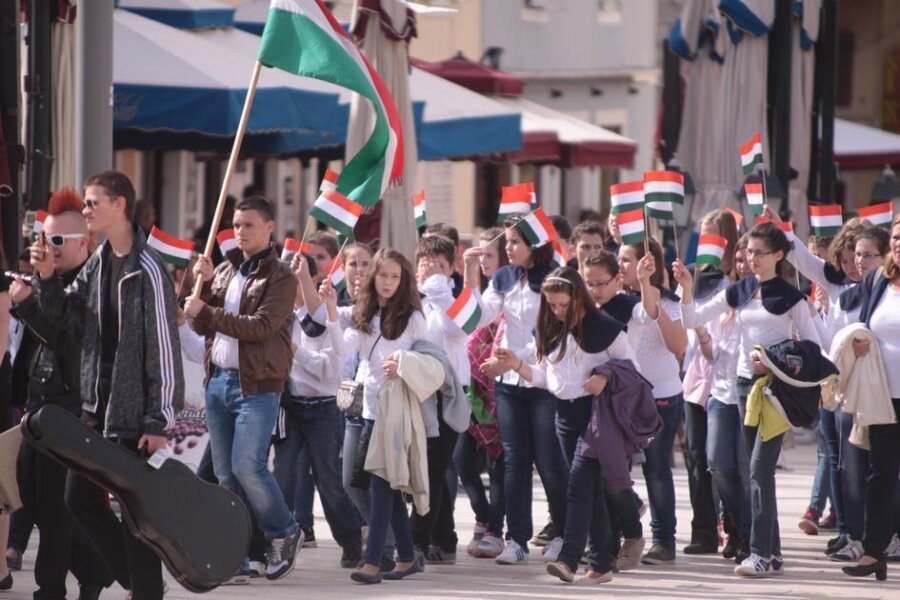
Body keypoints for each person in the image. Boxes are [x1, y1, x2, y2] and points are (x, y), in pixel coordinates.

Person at [13, 170, 184, 600]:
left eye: (93, 203)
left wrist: (158, 420)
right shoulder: (99, 262)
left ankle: (145, 590)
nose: (87, 210)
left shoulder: (147, 270)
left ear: (119, 204)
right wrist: (46, 279)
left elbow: (164, 349)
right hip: (95, 412)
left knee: (134, 515)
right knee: (79, 499)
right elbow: (66, 321)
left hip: (133, 417)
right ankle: (137, 582)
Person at [675, 221, 823, 578]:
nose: (752, 258)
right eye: (749, 252)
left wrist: (774, 360)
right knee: (756, 472)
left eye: (760, 253)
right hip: (744, 388)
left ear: (779, 255)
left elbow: (813, 346)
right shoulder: (739, 290)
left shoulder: (791, 297)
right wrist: (686, 289)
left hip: (776, 389)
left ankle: (760, 553)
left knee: (757, 469)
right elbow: (691, 318)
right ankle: (771, 554)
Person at [496, 266, 639, 584]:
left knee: (576, 486)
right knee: (592, 491)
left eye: (563, 304)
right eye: (552, 305)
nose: (558, 311)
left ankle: (568, 559)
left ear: (578, 298)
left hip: (597, 416)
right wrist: (516, 364)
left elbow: (631, 367)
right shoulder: (549, 330)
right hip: (563, 416)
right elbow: (546, 378)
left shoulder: (606, 327)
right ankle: (601, 561)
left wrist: (605, 375)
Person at [186, 196, 301, 581]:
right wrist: (200, 286)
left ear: (269, 228)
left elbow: (261, 327)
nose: (240, 232)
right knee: (226, 476)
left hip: (257, 385)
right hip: (218, 380)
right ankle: (237, 554)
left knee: (247, 467)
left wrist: (207, 311)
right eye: (236, 225)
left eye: (248, 225)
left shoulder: (281, 276)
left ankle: (285, 531)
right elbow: (200, 324)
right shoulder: (224, 270)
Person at [10, 199, 115, 600]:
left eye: (57, 240)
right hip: (39, 406)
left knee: (55, 508)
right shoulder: (49, 279)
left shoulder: (89, 285)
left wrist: (32, 299)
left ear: (83, 243)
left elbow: (64, 337)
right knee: (31, 498)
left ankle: (50, 588)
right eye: (42, 238)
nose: (47, 247)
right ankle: (95, 568)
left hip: (70, 408)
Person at [474, 217, 569, 565]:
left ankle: (563, 533)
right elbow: (482, 315)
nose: (508, 247)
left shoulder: (554, 277)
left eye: (515, 242)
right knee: (514, 461)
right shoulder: (504, 277)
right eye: (508, 241)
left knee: (549, 461)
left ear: (535, 243)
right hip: (509, 383)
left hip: (542, 380)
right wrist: (469, 277)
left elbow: (554, 332)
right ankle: (516, 540)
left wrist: (515, 360)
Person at [346, 249, 434, 584]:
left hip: (397, 411)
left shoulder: (414, 318)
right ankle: (407, 556)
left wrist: (403, 367)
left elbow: (430, 361)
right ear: (373, 276)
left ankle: (372, 561)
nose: (388, 282)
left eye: (395, 277)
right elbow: (344, 345)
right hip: (369, 410)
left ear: (403, 280)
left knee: (381, 484)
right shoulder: (364, 311)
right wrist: (326, 303)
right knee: (389, 485)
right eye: (383, 275)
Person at [273, 253, 363, 569]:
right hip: (291, 408)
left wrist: (294, 351)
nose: (291, 286)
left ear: (313, 280)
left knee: (328, 480)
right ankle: (280, 539)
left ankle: (351, 540)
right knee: (282, 475)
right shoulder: (280, 318)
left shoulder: (327, 317)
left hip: (324, 410)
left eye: (298, 277)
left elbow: (329, 370)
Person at [619, 238, 687, 565]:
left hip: (660, 396)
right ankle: (624, 527)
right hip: (623, 398)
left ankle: (663, 541)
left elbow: (679, 347)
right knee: (614, 468)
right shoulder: (617, 301)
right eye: (618, 259)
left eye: (626, 260)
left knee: (656, 468)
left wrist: (653, 299)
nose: (620, 266)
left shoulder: (668, 303)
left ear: (647, 263)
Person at [841, 213, 900, 581]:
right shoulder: (879, 280)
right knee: (881, 473)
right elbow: (858, 320)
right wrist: (858, 341)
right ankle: (874, 552)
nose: (898, 244)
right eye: (896, 237)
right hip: (883, 395)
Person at [681, 209, 739, 556]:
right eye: (703, 235)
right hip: (695, 373)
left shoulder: (736, 279)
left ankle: (734, 526)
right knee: (696, 455)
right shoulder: (693, 275)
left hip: (725, 375)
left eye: (713, 235)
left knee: (721, 459)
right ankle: (703, 531)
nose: (707, 243)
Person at [456, 228, 508, 559]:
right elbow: (469, 314)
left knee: (498, 462)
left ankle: (494, 530)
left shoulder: (507, 292)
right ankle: (483, 514)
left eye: (490, 255)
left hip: (497, 389)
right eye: (481, 254)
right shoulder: (485, 290)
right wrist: (469, 272)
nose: (484, 260)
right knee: (461, 458)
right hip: (470, 389)